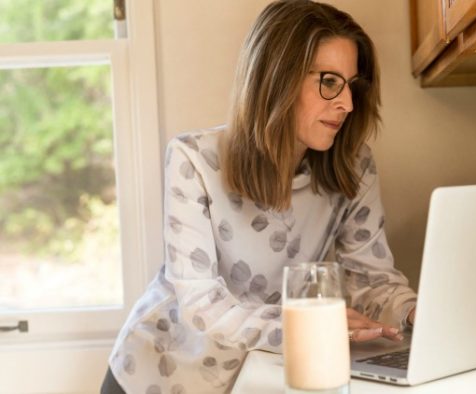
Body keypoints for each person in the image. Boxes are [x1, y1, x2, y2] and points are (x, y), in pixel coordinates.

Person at [101, 1, 417, 393]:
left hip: (255, 376)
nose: (347, 104)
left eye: (351, 85)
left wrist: (412, 311)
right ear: (277, 79)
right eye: (330, 82)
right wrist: (310, 325)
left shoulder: (354, 167)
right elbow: (201, 304)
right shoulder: (193, 159)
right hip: (159, 375)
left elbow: (371, 280)